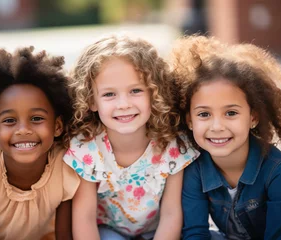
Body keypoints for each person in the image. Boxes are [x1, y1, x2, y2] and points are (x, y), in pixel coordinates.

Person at [63, 34, 199, 240]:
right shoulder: (86, 149)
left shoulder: (171, 144)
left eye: (135, 90)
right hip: (108, 232)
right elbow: (84, 218)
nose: (124, 104)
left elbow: (171, 214)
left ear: (154, 94)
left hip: (157, 232)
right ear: (91, 100)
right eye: (109, 94)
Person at [170, 35, 281, 239]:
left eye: (231, 113)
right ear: (189, 121)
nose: (217, 127)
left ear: (253, 117)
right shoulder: (194, 168)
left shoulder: (278, 169)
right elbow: (195, 232)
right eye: (204, 114)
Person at [0, 46, 80, 240]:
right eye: (9, 121)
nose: (23, 129)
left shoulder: (65, 165)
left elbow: (64, 236)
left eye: (36, 118)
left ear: (57, 125)